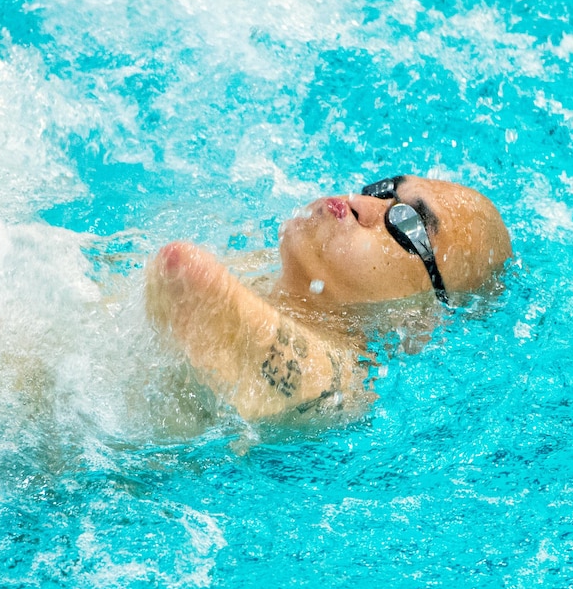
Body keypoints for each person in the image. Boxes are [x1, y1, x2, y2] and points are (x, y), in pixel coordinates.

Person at [144, 174, 512, 422]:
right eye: (383, 189)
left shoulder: (341, 385)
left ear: (421, 325)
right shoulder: (251, 268)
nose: (362, 204)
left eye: (407, 222)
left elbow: (184, 277)